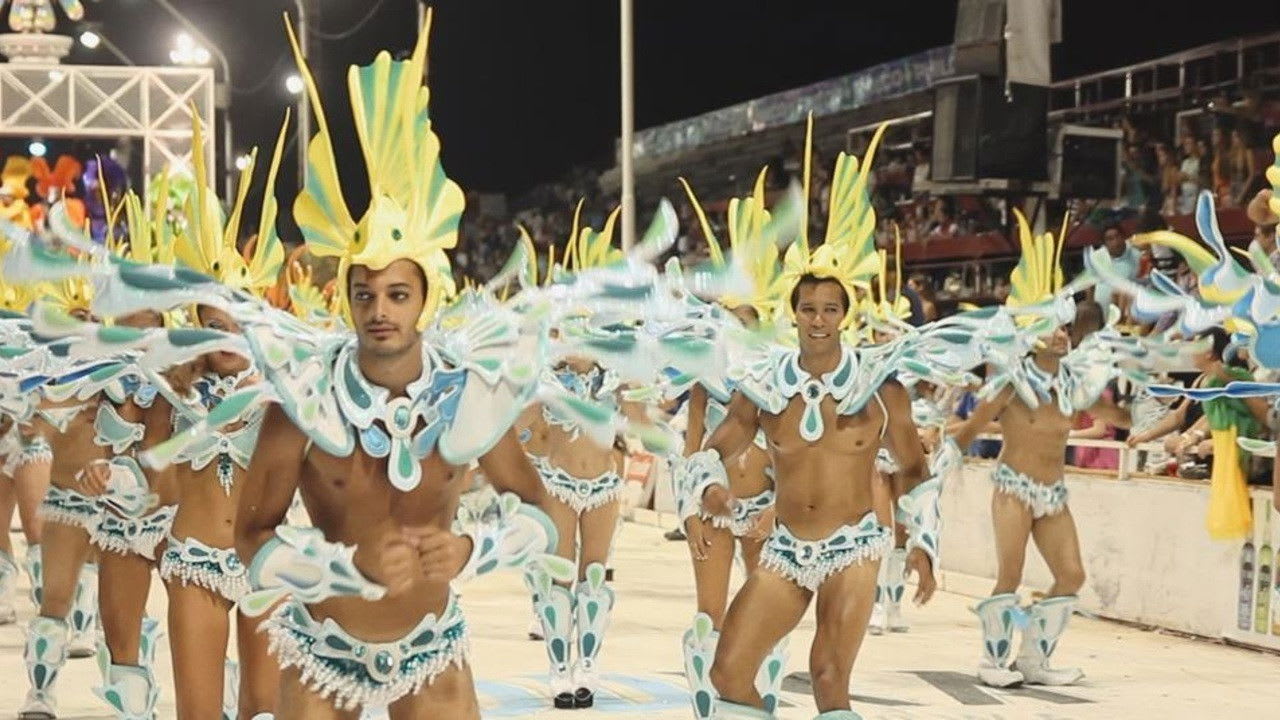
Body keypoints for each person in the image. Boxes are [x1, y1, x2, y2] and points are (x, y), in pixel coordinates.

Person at [232, 17, 558, 718]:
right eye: (365, 293)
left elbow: (541, 513)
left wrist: (474, 549)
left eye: (398, 294)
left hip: (431, 649)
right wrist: (343, 566)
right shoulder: (303, 400)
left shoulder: (470, 398)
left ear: (426, 300)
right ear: (346, 298)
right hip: (323, 652)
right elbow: (248, 535)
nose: (380, 309)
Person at [679, 123, 941, 720]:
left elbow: (916, 469)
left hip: (855, 546)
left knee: (827, 675)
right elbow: (716, 444)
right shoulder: (766, 385)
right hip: (787, 548)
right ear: (791, 313)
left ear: (846, 314)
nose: (818, 318)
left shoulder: (880, 389)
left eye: (829, 308)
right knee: (727, 673)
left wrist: (920, 543)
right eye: (807, 308)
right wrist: (703, 491)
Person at [952, 271, 1133, 689]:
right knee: (1010, 576)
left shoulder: (1075, 384)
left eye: (1065, 327)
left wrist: (1157, 409)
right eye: (1052, 326)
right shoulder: (1012, 382)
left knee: (1071, 575)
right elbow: (972, 425)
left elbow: (1120, 419)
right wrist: (939, 460)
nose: (1062, 335)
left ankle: (1034, 658)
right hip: (1012, 488)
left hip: (1053, 494)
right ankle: (992, 660)